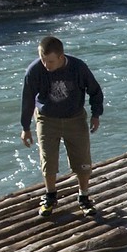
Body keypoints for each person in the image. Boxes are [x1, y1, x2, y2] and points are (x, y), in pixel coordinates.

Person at [20, 35, 103, 219]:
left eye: (50, 61)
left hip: (75, 119)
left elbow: (95, 91)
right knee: (48, 161)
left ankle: (84, 197)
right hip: (46, 119)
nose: (46, 65)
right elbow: (27, 100)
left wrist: (96, 114)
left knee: (82, 162)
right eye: (42, 59)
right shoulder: (34, 71)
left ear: (61, 57)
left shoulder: (78, 68)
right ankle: (50, 196)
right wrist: (25, 127)